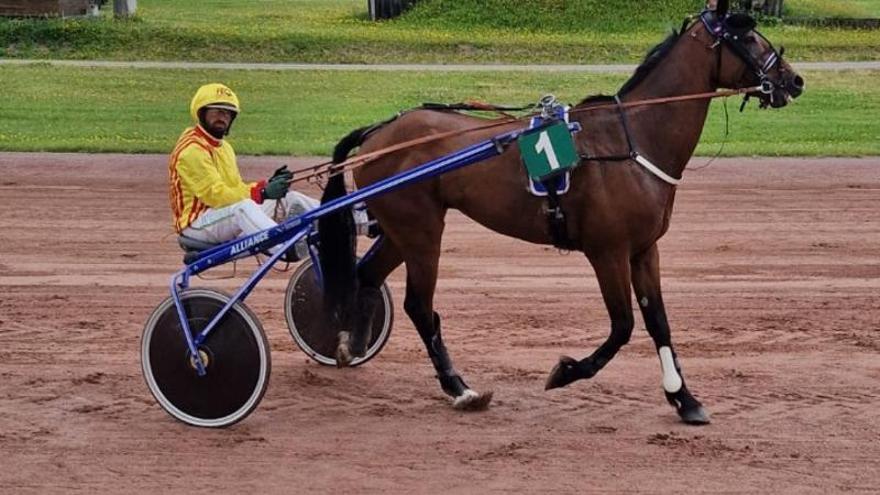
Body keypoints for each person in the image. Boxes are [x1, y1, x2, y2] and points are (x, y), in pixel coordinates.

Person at [168, 83, 320, 260]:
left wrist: (267, 186)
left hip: (222, 216)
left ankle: (350, 217)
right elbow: (216, 196)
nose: (222, 117)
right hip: (197, 225)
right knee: (244, 208)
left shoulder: (224, 148)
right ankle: (284, 248)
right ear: (202, 113)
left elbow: (235, 188)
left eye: (227, 113)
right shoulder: (192, 150)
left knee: (289, 198)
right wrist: (261, 192)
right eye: (216, 111)